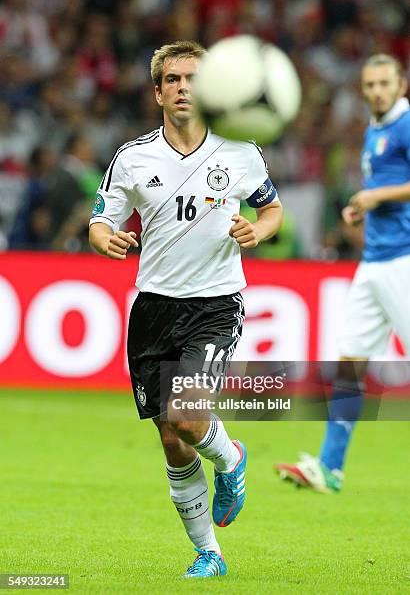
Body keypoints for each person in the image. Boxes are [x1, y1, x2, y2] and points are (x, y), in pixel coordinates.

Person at [89, 41, 283, 576]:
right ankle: (208, 553)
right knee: (172, 440)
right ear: (158, 91)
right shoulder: (133, 157)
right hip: (153, 308)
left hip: (215, 304)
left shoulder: (240, 150)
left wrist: (257, 231)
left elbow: (272, 209)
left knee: (187, 415)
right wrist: (102, 237)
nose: (182, 88)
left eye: (192, 79)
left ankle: (232, 457)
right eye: (172, 80)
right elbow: (101, 218)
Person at [276, 53, 410, 493]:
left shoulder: (406, 124)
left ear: (401, 85)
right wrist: (363, 207)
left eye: (384, 84)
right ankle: (329, 467)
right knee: (349, 362)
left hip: (403, 261)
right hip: (373, 262)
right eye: (369, 84)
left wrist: (376, 197)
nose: (376, 91)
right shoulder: (375, 130)